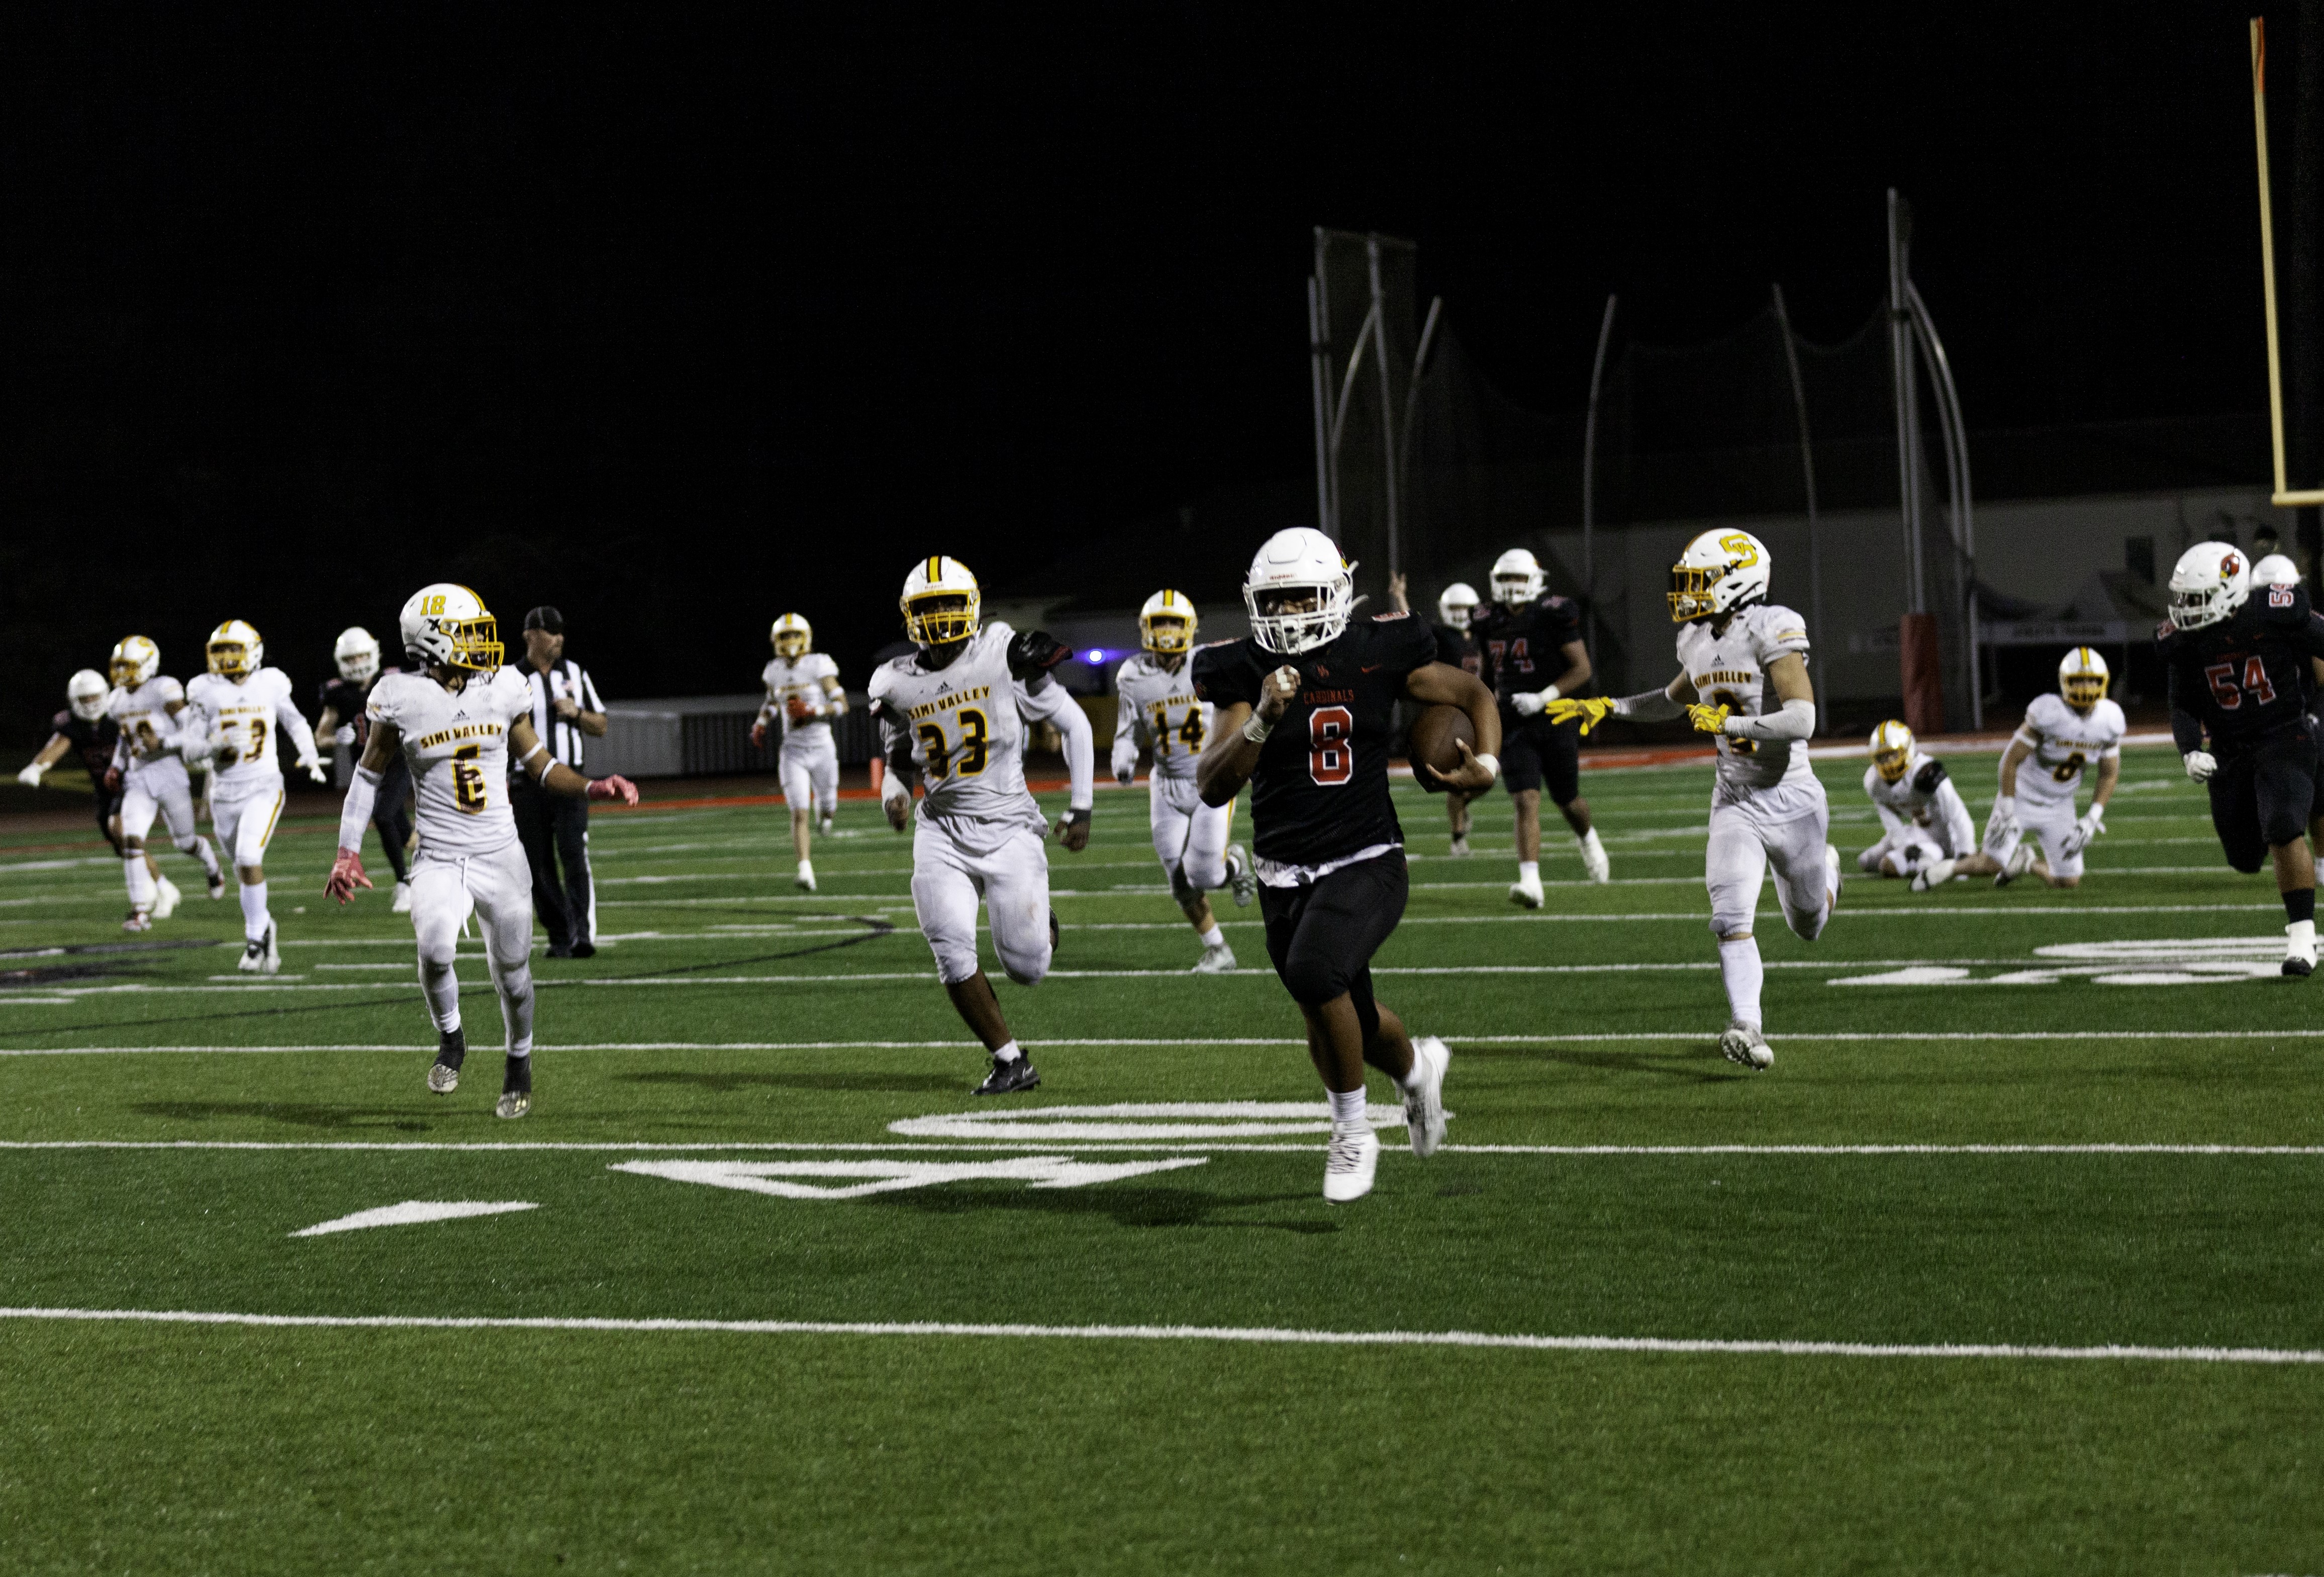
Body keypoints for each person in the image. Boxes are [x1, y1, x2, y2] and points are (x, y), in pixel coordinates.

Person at [1193, 527, 1500, 1202]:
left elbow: (1474, 696)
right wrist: (1261, 719)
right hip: (1281, 871)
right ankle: (1417, 1072)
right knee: (1340, 1010)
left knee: (1315, 972)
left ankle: (1352, 1132)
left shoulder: (1375, 649)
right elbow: (1212, 784)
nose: (1287, 613)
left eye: (1302, 597)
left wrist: (1487, 762)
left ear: (1334, 594)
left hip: (1367, 857)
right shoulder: (1242, 669)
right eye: (1275, 601)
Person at [326, 583, 638, 1119]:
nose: (480, 642)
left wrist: (592, 786)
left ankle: (519, 1060)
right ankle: (452, 1037)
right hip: (440, 855)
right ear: (432, 640)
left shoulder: (503, 686)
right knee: (435, 949)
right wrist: (346, 851)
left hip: (500, 853)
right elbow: (367, 775)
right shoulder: (399, 696)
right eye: (467, 632)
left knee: (513, 975)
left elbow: (540, 764)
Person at [1553, 528, 1836, 1070]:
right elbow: (1671, 700)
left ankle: (1829, 874)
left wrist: (1732, 722)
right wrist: (1609, 706)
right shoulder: (1696, 639)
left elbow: (1803, 718)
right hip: (1734, 797)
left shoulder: (1772, 626)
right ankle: (1747, 1025)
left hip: (1792, 797)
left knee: (1809, 924)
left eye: (1700, 580)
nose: (1689, 592)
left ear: (1737, 580)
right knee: (1730, 916)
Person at [869, 554, 1094, 1095]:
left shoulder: (1000, 651)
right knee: (950, 948)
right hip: (941, 830)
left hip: (1009, 825)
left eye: (949, 603)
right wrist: (893, 795)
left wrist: (1081, 805)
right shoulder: (893, 681)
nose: (940, 616)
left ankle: (1040, 924)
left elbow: (1074, 724)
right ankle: (1009, 1060)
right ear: (909, 615)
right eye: (929, 607)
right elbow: (897, 759)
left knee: (1027, 968)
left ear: (971, 605)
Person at [2156, 542, 2324, 974]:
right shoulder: (2184, 641)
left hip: (2284, 735)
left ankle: (2302, 938)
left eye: (2197, 598)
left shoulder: (2272, 611)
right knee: (2244, 858)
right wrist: (2190, 750)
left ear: (2230, 591)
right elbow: (2182, 704)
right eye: (2183, 598)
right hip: (2229, 749)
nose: (2186, 609)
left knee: (2284, 825)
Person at [1109, 589, 1255, 973]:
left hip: (1210, 781)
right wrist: (1124, 756)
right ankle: (1219, 949)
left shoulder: (1208, 662)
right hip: (1166, 786)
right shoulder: (1132, 674)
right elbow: (1128, 729)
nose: (1168, 631)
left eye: (1175, 622)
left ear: (1190, 627)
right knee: (1179, 879)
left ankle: (1234, 865)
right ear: (1146, 628)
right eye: (1161, 623)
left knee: (1205, 873)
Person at [178, 620, 324, 975]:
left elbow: (295, 721)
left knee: (248, 857)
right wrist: (214, 746)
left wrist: (309, 753)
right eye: (220, 650)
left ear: (254, 651)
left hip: (264, 785)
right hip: (223, 793)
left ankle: (254, 939)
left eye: (234, 649)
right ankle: (265, 925)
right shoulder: (204, 690)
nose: (226, 657)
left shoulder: (270, 683)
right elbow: (189, 749)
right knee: (243, 869)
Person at [1918, 648, 2124, 892]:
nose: (2086, 687)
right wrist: (2007, 808)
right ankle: (1949, 869)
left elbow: (2109, 773)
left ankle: (2028, 863)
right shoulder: (2049, 713)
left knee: (2068, 882)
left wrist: (2092, 818)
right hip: (2022, 798)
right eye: (2078, 680)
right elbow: (2010, 761)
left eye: (2092, 681)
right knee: (1990, 865)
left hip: (2060, 805)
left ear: (2104, 682)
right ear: (2065, 682)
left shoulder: (2110, 720)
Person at [1470, 547, 1610, 903]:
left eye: (1518, 577)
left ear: (1534, 580)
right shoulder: (1487, 618)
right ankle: (1531, 883)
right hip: (1513, 719)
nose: (1511, 584)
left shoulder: (1552, 613)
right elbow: (1487, 673)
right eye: (1505, 578)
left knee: (1568, 800)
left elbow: (1582, 669)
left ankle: (1588, 838)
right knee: (1525, 799)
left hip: (1556, 715)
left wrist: (1543, 696)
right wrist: (1479, 709)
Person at [18, 671, 180, 918]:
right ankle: (163, 887)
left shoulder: (118, 715)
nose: (91, 703)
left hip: (132, 782)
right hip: (104, 789)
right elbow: (58, 744)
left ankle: (149, 896)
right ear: (73, 700)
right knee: (122, 845)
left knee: (121, 831)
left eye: (95, 697)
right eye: (85, 699)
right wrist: (37, 767)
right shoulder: (71, 724)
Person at [103, 636, 225, 929]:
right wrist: (117, 766)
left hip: (169, 773)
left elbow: (194, 732)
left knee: (185, 842)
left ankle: (212, 865)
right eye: (120, 666)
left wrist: (163, 742)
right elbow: (125, 739)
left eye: (129, 666)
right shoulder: (116, 700)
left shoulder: (163, 689)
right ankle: (140, 910)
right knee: (131, 839)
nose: (123, 673)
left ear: (148, 665)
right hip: (138, 777)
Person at [511, 606, 609, 958]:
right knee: (535, 863)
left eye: (560, 631)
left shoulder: (575, 673)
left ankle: (582, 935)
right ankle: (559, 934)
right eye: (551, 632)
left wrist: (577, 712)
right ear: (531, 635)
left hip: (569, 779)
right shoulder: (510, 678)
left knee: (573, 853)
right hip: (526, 782)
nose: (559, 638)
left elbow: (601, 725)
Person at [315, 626, 416, 914]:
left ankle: (405, 884)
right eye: (351, 659)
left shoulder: (393, 680)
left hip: (398, 761)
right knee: (405, 834)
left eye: (361, 657)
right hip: (368, 768)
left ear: (373, 654)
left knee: (383, 816)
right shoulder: (337, 693)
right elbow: (321, 736)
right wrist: (337, 739)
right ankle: (430, 863)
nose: (357, 664)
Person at [751, 613, 847, 892]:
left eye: (795, 635)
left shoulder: (819, 665)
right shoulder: (773, 670)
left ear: (806, 637)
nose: (790, 640)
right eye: (785, 636)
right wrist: (760, 723)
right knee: (798, 813)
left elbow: (842, 705)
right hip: (793, 751)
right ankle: (805, 871)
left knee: (828, 806)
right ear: (775, 641)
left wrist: (812, 710)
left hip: (822, 748)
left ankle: (826, 815)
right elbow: (772, 702)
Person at [1388, 574, 1484, 855]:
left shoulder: (1480, 637)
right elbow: (1413, 624)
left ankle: (1462, 807)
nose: (1460, 614)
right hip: (1449, 712)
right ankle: (1458, 837)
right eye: (1455, 608)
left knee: (1485, 775)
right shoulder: (1442, 634)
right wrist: (1400, 597)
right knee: (1456, 780)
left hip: (1475, 711)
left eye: (1464, 608)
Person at [1855, 720, 1975, 886]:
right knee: (1865, 861)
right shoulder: (1874, 782)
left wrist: (1966, 855)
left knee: (1891, 865)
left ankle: (1929, 862)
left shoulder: (1926, 773)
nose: (1888, 763)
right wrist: (1905, 847)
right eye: (1882, 757)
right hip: (1917, 833)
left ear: (1908, 749)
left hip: (1945, 839)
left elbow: (1958, 815)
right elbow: (1891, 824)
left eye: (1893, 755)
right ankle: (1920, 858)